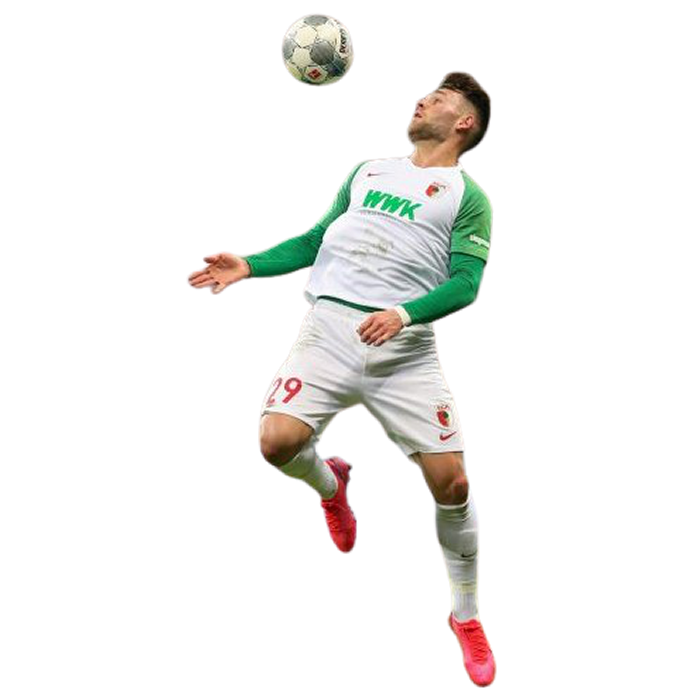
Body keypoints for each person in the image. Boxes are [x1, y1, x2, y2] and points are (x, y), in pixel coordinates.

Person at [185, 70, 496, 687]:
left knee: (453, 483)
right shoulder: (366, 172)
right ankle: (331, 486)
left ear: (465, 122)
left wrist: (402, 314)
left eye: (437, 98)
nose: (421, 99)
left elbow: (467, 284)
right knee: (275, 445)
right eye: (425, 93)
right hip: (328, 334)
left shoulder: (468, 197)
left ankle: (465, 615)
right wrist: (250, 263)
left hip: (403, 350)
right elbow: (315, 240)